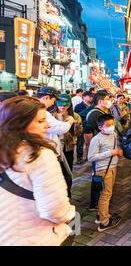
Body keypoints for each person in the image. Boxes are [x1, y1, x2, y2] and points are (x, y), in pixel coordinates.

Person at [0, 97, 75, 245]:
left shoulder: (5, 150)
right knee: (74, 226)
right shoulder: (39, 155)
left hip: (7, 235)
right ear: (20, 124)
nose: (47, 125)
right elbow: (55, 210)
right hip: (36, 237)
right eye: (40, 121)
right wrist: (70, 213)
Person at [36, 87, 74, 197]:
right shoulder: (42, 112)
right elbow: (60, 128)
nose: (46, 125)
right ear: (47, 97)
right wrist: (69, 122)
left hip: (60, 151)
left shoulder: (42, 111)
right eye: (54, 100)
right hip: (49, 154)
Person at [88, 114, 122, 231]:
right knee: (105, 195)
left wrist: (118, 152)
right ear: (100, 127)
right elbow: (91, 157)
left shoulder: (114, 135)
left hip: (113, 167)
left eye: (112, 124)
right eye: (108, 125)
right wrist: (111, 152)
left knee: (107, 194)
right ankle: (104, 222)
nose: (111, 127)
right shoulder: (96, 139)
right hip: (103, 170)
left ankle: (101, 215)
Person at [83, 91, 112, 210]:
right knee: (97, 175)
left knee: (102, 174)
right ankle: (94, 202)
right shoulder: (94, 114)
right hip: (98, 150)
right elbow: (87, 132)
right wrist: (90, 149)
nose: (110, 101)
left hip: (104, 149)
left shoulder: (104, 111)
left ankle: (101, 197)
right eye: (107, 99)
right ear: (100, 101)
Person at [55, 94, 83, 175]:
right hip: (55, 146)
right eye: (60, 105)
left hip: (68, 146)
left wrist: (76, 125)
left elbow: (78, 133)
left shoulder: (75, 116)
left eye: (65, 105)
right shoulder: (51, 116)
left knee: (68, 170)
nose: (63, 107)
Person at [74, 91, 94, 163]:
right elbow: (76, 116)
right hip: (82, 126)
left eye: (92, 96)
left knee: (91, 143)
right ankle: (79, 158)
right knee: (80, 142)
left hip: (91, 127)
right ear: (84, 97)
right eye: (89, 96)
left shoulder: (93, 106)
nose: (91, 98)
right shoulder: (78, 106)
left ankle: (89, 156)